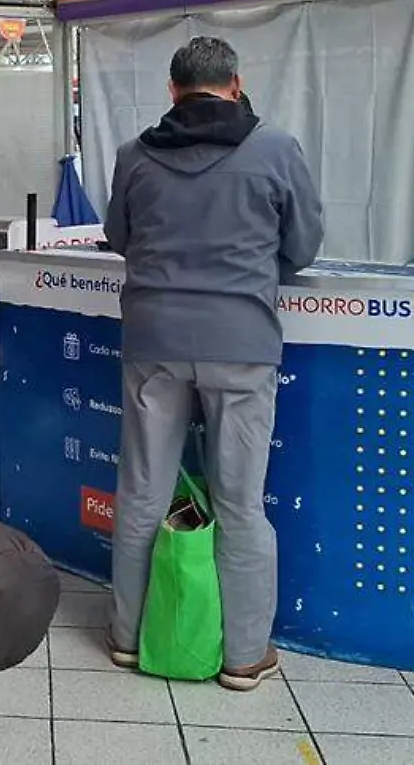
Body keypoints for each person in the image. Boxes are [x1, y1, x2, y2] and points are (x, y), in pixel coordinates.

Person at [102, 36, 324, 691]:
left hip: (154, 343)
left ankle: (126, 637)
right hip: (242, 343)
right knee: (241, 503)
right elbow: (304, 247)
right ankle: (244, 656)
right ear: (236, 83)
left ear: (172, 90)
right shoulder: (276, 149)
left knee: (142, 492)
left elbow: (119, 236)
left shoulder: (134, 156)